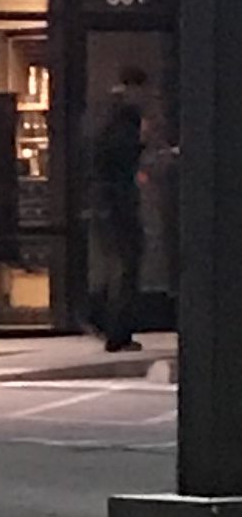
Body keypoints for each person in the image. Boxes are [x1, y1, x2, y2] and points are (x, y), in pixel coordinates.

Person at [83, 65, 153, 354]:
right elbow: (118, 155)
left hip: (106, 198)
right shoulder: (123, 117)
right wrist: (141, 144)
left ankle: (104, 319)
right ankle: (115, 328)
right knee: (126, 262)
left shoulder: (102, 113)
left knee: (116, 262)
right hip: (117, 199)